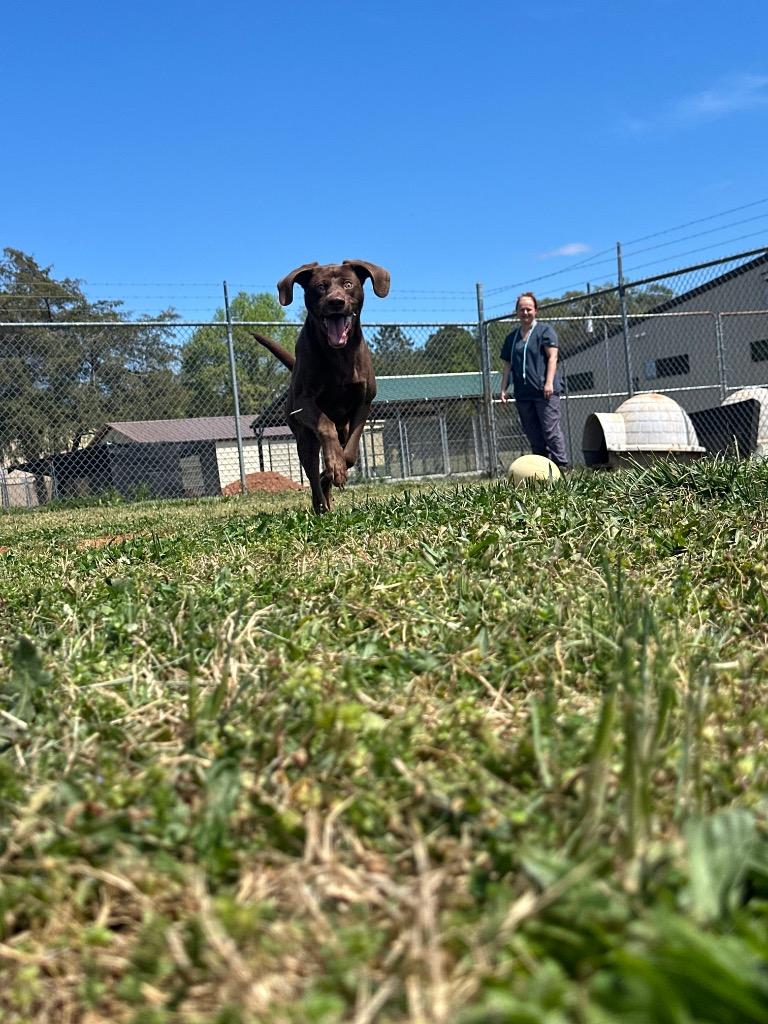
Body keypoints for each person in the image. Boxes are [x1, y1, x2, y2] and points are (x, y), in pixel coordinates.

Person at [500, 292, 569, 469]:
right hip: (523, 393)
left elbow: (552, 357)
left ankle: (562, 466)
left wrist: (548, 383)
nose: (525, 313)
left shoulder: (545, 331)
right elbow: (507, 365)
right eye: (521, 309)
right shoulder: (511, 338)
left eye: (528, 309)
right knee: (533, 434)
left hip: (544, 392)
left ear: (535, 311)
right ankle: (543, 469)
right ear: (516, 312)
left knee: (550, 430)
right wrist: (503, 389)